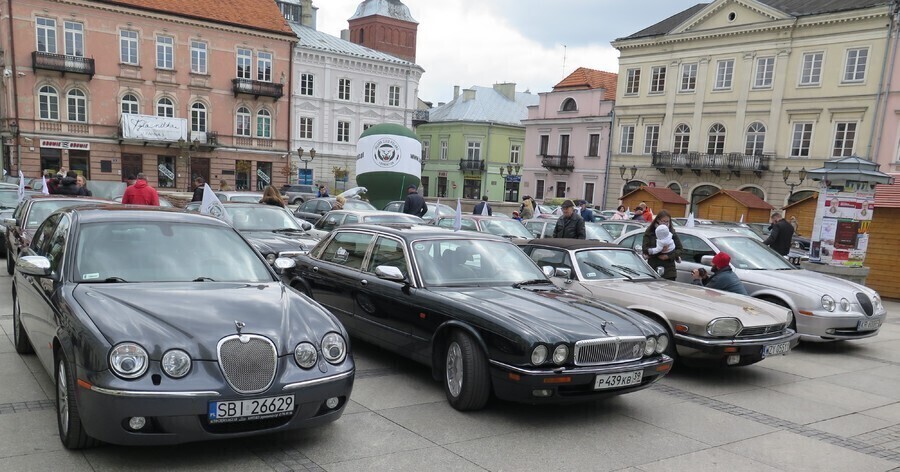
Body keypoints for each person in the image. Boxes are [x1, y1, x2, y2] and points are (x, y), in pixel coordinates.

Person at [642, 210, 682, 280]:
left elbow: (680, 249)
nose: (665, 223)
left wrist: (668, 256)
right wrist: (659, 250)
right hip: (653, 268)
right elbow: (645, 249)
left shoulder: (671, 233)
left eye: (667, 221)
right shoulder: (650, 232)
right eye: (663, 221)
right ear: (658, 220)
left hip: (669, 270)